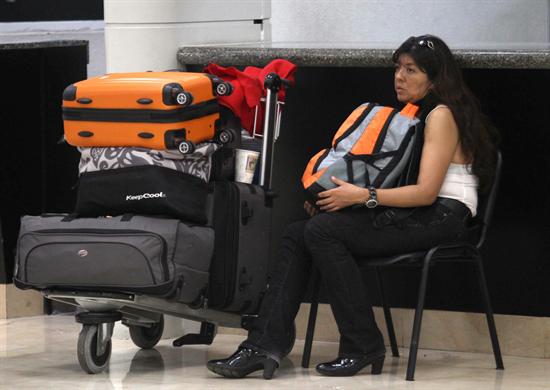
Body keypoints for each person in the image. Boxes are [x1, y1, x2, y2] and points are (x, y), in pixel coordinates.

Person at [206, 34, 499, 379]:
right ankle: (264, 344)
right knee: (298, 233)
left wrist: (362, 197)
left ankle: (362, 343)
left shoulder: (441, 115)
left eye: (412, 70)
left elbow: (425, 193)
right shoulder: (414, 112)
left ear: (434, 78)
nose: (399, 77)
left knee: (321, 232)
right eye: (398, 68)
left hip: (444, 217)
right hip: (417, 212)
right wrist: (342, 200)